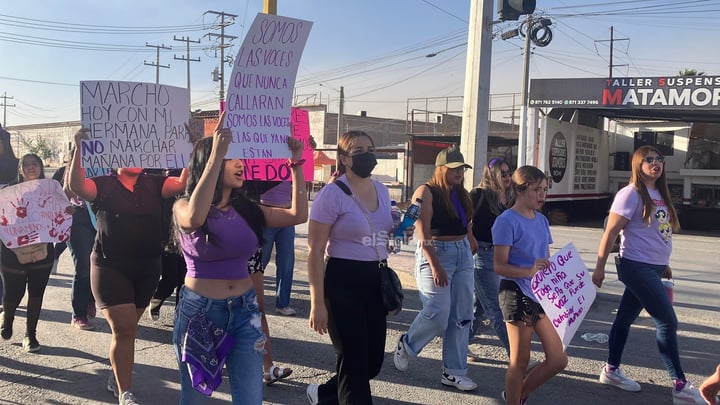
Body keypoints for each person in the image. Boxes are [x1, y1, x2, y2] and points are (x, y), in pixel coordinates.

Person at [172, 117, 307, 404]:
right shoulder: (182, 206)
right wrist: (217, 153)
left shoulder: (247, 209)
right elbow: (195, 218)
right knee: (195, 399)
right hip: (200, 313)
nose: (240, 164)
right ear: (209, 162)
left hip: (245, 311)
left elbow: (298, 215)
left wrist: (296, 163)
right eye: (232, 158)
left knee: (250, 398)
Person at [68, 128, 188, 405]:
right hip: (110, 267)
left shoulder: (156, 182)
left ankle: (117, 372)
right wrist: (78, 149)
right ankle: (126, 392)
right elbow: (77, 186)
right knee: (124, 330)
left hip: (147, 267)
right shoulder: (103, 184)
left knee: (128, 329)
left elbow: (182, 184)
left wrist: (187, 148)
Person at [592, 145, 705, 404]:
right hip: (635, 266)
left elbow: (659, 232)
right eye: (649, 160)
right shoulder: (629, 194)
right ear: (638, 165)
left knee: (624, 319)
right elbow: (609, 233)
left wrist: (663, 263)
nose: (656, 163)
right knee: (667, 322)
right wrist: (599, 268)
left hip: (653, 267)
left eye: (659, 160)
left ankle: (611, 370)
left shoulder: (659, 193)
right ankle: (679, 385)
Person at [307, 130, 399, 404]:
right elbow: (314, 252)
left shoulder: (382, 190)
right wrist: (317, 303)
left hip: (375, 278)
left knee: (371, 363)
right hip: (342, 282)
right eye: (358, 150)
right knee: (354, 361)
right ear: (344, 158)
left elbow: (383, 233)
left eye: (370, 148)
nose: (367, 154)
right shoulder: (331, 195)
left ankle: (323, 394)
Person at [393, 145, 478, 392]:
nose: (459, 172)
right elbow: (422, 232)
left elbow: (466, 221)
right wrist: (435, 265)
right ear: (440, 169)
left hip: (462, 254)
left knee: (462, 316)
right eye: (454, 169)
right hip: (436, 253)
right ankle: (407, 344)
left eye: (462, 168)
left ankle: (454, 372)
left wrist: (470, 236)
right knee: (438, 311)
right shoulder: (425, 192)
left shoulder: (460, 193)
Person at [492, 165, 567, 405]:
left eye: (545, 189)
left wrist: (555, 277)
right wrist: (528, 270)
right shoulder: (506, 221)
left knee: (558, 359)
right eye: (537, 190)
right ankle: (514, 399)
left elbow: (544, 258)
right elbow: (499, 266)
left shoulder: (542, 220)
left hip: (539, 294)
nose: (543, 195)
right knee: (520, 360)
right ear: (520, 190)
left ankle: (517, 395)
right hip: (515, 293)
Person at [0, 154, 59, 352]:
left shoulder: (52, 191)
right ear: (20, 169)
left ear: (41, 167)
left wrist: (67, 212)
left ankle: (30, 335)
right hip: (12, 251)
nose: (30, 167)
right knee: (13, 295)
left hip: (42, 250)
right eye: (26, 164)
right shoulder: (7, 192)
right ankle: (7, 317)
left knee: (36, 294)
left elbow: (61, 212)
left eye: (35, 163)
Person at [468, 157, 512, 359]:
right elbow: (462, 220)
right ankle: (517, 355)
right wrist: (471, 240)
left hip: (501, 256)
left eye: (509, 173)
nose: (507, 177)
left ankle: (460, 343)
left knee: (480, 309)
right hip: (483, 255)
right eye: (502, 173)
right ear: (491, 173)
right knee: (497, 308)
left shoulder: (508, 198)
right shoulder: (478, 194)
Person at [52, 162, 97, 330]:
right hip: (78, 218)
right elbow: (63, 194)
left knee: (98, 263)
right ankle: (78, 314)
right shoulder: (69, 168)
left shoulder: (106, 164)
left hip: (101, 217)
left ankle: (90, 298)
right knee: (83, 265)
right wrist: (74, 173)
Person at [247, 246, 293, 386]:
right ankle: (214, 362)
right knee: (221, 309)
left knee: (258, 311)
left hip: (250, 247)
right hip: (220, 251)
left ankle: (269, 368)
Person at [148, 169, 187, 321]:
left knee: (185, 280)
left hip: (187, 238)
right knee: (170, 279)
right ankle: (157, 297)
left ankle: (180, 316)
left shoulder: (193, 183)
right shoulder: (159, 185)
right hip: (167, 240)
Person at [260, 181, 297, 316]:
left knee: (286, 262)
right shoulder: (264, 161)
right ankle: (250, 301)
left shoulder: (292, 166)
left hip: (287, 216)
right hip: (265, 215)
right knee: (260, 261)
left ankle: (283, 304)